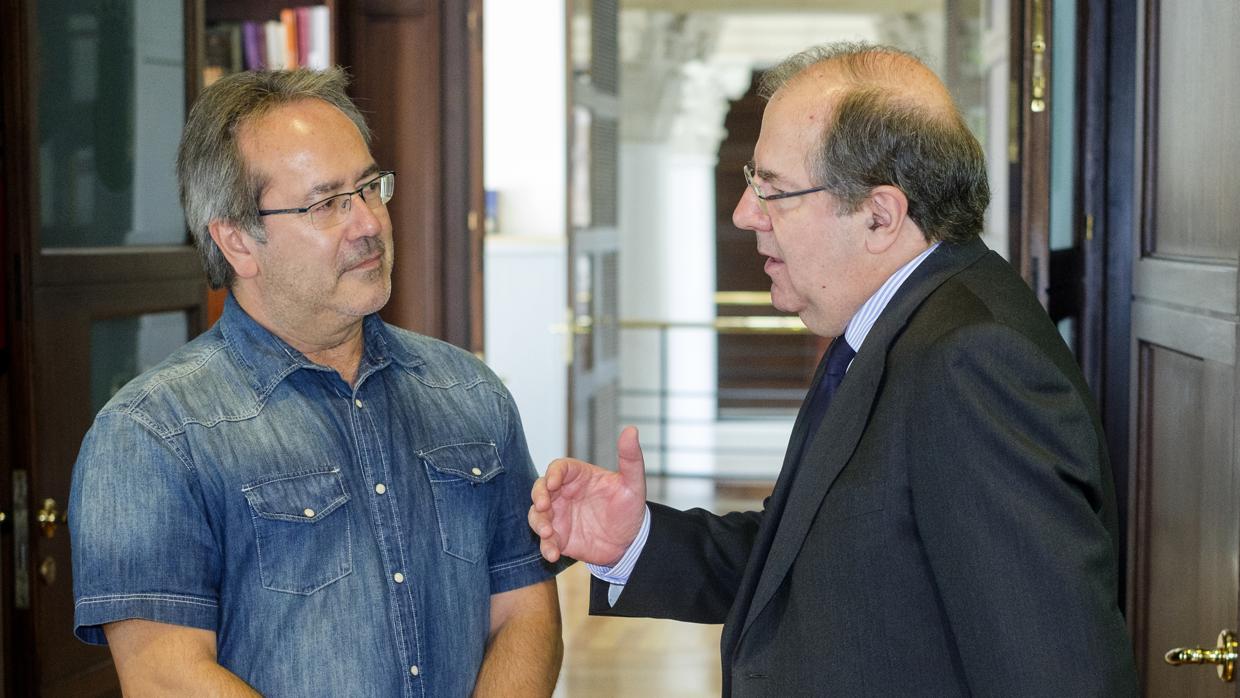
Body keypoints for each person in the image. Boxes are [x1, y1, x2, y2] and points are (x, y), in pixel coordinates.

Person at [529, 42, 1138, 696]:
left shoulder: (971, 360)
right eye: (749, 182)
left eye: (774, 189)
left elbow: (1057, 674)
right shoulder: (890, 324)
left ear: (880, 215)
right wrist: (637, 539)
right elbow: (809, 560)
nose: (744, 214)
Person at [69, 68, 565, 697]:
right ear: (237, 242)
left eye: (369, 188)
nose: (368, 223)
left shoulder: (470, 392)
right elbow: (168, 677)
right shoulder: (152, 434)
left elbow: (525, 610)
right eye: (327, 203)